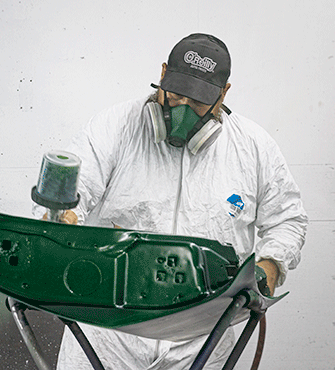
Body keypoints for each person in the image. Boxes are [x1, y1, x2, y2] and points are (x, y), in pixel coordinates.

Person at [50, 33, 308, 369]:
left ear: (223, 93)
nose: (183, 109)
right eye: (176, 95)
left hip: (202, 341)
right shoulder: (117, 126)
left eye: (199, 101)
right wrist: (63, 218)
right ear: (162, 74)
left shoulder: (254, 149)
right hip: (106, 336)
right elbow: (73, 186)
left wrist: (271, 265)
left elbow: (287, 219)